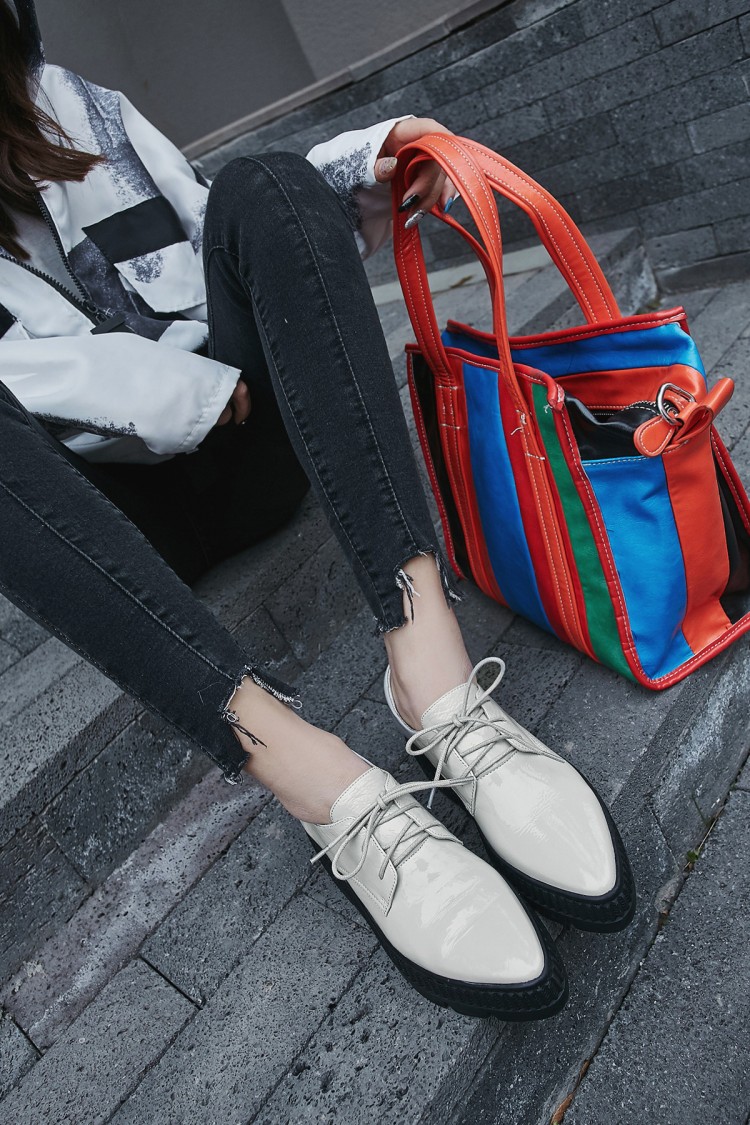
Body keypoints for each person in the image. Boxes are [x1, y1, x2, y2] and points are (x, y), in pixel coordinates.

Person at [0, 0, 635, 1022]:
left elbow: (212, 225)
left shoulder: (72, 104)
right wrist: (181, 393)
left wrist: (366, 163)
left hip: (250, 445)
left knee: (268, 180)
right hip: (114, 527)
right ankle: (320, 782)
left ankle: (436, 689)